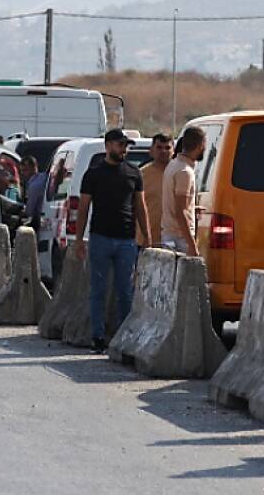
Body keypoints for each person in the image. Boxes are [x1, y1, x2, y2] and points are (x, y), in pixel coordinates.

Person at [73, 129, 149, 353]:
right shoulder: (93, 174)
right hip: (100, 238)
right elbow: (83, 207)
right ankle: (98, 336)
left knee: (125, 291)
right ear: (107, 146)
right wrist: (79, 239)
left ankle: (124, 337)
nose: (123, 149)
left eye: (126, 145)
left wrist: (147, 237)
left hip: (126, 240)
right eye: (119, 144)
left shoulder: (134, 173)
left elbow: (140, 206)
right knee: (98, 289)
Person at [161, 126, 206, 256]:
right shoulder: (184, 172)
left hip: (170, 235)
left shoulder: (173, 164)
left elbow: (176, 203)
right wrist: (192, 245)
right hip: (180, 239)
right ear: (200, 145)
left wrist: (192, 208)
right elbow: (181, 212)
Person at [138, 133, 171, 247]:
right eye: (159, 147)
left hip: (172, 241)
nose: (163, 151)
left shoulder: (180, 173)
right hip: (145, 241)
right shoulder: (141, 174)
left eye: (167, 148)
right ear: (151, 150)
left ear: (173, 151)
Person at [20, 156, 47, 229]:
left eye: (25, 170)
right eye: (21, 170)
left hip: (40, 220)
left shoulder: (34, 186)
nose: (22, 173)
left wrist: (22, 212)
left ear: (34, 168)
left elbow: (29, 212)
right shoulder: (44, 177)